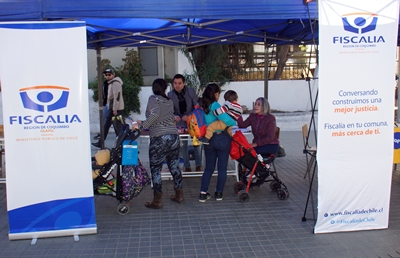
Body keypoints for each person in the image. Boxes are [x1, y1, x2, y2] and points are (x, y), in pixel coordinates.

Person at [132, 78, 183, 209]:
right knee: (174, 167)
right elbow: (168, 118)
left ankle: (157, 200)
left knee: (155, 169)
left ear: (154, 88)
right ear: (165, 88)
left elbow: (154, 115)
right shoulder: (169, 101)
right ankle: (179, 195)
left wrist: (142, 125)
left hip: (159, 138)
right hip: (173, 136)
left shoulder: (153, 99)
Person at [198, 83, 233, 202]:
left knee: (209, 168)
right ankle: (219, 193)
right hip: (221, 138)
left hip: (208, 139)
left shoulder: (202, 105)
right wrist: (234, 121)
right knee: (222, 168)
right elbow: (226, 120)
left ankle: (203, 193)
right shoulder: (215, 105)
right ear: (216, 94)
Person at [167, 74, 202, 172]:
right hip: (180, 123)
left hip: (192, 122)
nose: (177, 85)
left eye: (179, 83)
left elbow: (197, 107)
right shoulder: (170, 95)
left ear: (184, 83)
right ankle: (187, 166)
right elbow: (169, 110)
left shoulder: (190, 92)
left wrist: (190, 116)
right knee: (183, 145)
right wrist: (174, 116)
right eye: (175, 83)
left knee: (196, 144)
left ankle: (198, 164)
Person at [92, 68, 124, 148]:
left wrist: (115, 109)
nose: (107, 76)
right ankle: (116, 143)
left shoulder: (115, 83)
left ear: (113, 74)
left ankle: (118, 143)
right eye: (106, 75)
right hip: (112, 108)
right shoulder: (110, 83)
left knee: (115, 126)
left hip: (115, 109)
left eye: (109, 75)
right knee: (111, 125)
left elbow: (117, 96)